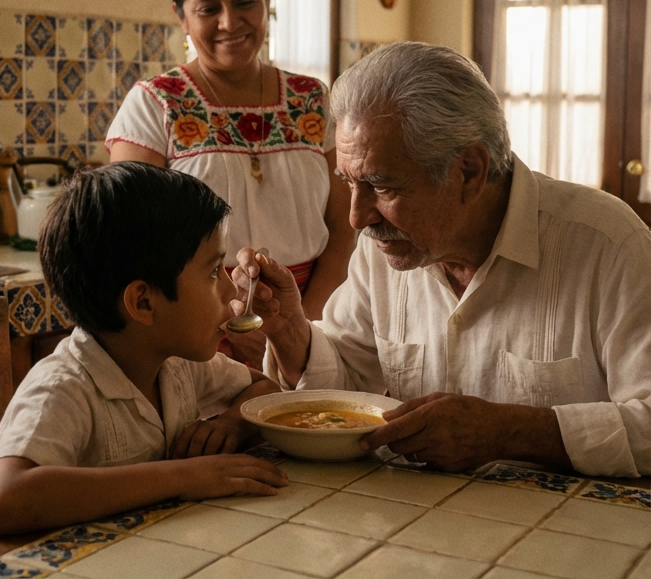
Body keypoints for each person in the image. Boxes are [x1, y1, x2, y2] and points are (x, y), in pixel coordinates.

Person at [236, 41, 651, 477]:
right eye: (349, 183)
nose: (357, 217)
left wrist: (509, 432)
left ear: (469, 171)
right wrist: (288, 331)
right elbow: (348, 385)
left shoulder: (609, 246)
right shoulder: (386, 249)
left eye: (383, 186)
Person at [0, 162, 287, 537]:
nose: (227, 290)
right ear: (142, 303)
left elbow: (265, 391)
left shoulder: (174, 364)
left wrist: (231, 423)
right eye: (211, 272)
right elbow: (1, 500)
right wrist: (183, 477)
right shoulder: (63, 388)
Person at [106, 0, 354, 367]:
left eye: (244, 2)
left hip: (312, 327)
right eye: (208, 8)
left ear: (266, 2)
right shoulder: (155, 104)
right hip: (193, 337)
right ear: (181, 16)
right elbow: (134, 242)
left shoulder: (312, 100)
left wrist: (295, 329)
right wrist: (224, 321)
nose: (229, 22)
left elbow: (345, 227)